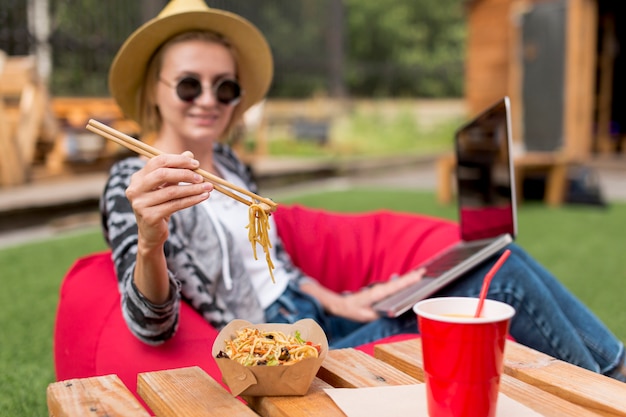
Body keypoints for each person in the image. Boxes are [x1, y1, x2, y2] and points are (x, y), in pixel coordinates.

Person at [100, 0, 626, 382]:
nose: (208, 100)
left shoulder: (232, 166)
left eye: (226, 87)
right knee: (501, 276)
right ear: (155, 88)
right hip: (284, 352)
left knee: (496, 255)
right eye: (190, 84)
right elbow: (151, 328)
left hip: (320, 317)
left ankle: (611, 377)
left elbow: (275, 270)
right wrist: (150, 241)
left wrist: (351, 300)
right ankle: (605, 388)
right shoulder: (133, 183)